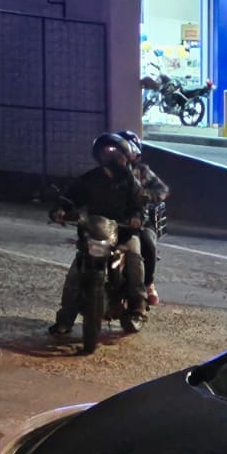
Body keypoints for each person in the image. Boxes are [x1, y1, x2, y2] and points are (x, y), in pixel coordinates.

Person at [48, 132, 149, 337]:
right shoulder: (89, 179)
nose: (113, 157)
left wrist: (137, 217)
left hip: (123, 235)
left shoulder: (131, 182)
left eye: (117, 153)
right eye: (108, 152)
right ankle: (65, 320)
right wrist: (60, 209)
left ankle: (138, 305)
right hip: (94, 233)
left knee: (135, 259)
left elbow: (141, 206)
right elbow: (69, 197)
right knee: (75, 275)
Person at [118, 129, 169, 307]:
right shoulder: (105, 172)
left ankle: (148, 284)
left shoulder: (141, 171)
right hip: (111, 218)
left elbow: (162, 190)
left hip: (140, 218)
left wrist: (145, 195)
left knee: (147, 242)